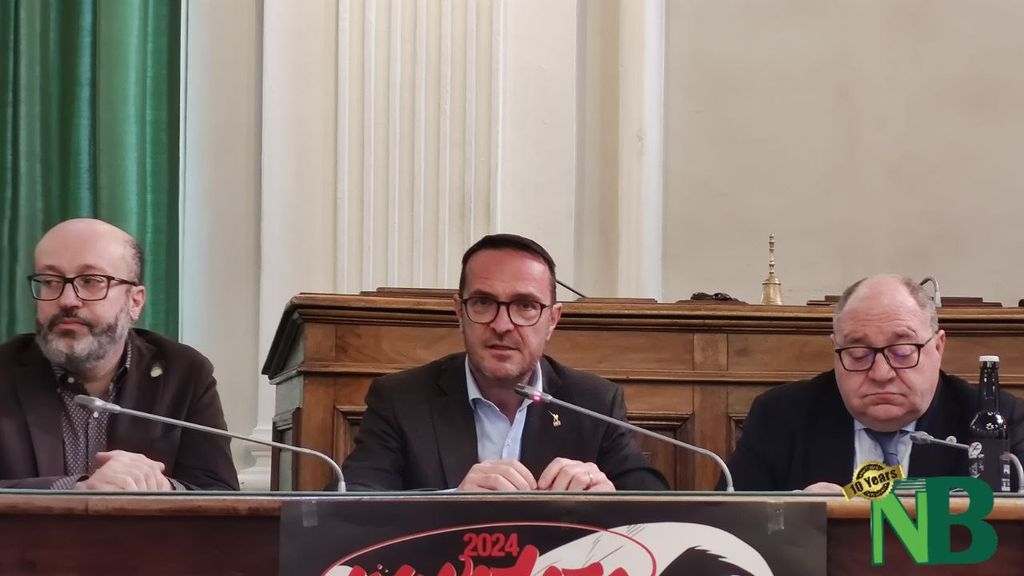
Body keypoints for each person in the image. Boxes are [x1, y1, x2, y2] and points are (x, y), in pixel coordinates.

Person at [342, 233, 667, 491]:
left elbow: (655, 504)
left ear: (552, 320)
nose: (502, 325)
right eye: (483, 303)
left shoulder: (593, 403)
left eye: (525, 306)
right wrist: (450, 502)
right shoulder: (401, 399)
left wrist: (613, 500)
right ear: (459, 313)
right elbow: (351, 503)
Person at [723, 274, 1024, 492]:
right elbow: (728, 531)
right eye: (858, 354)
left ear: (938, 347)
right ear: (836, 349)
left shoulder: (999, 422)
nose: (881, 373)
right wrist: (794, 518)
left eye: (903, 351)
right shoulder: (780, 416)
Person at [0, 218, 238, 491]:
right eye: (50, 281)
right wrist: (74, 488)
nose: (66, 300)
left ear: (134, 301)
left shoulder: (184, 373)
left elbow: (219, 492)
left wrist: (163, 489)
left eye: (91, 281)